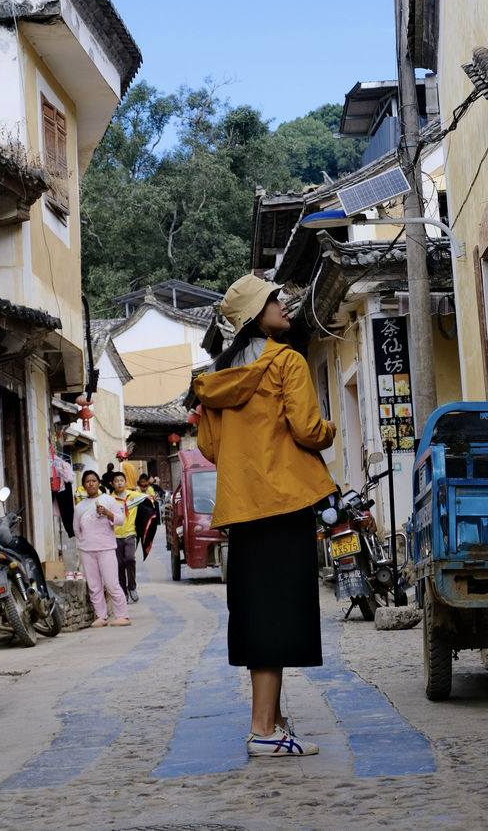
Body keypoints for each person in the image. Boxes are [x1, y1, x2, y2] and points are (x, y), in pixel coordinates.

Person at [193, 274, 337, 758]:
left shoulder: (215, 381)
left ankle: (272, 722)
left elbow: (211, 447)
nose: (284, 305)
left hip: (243, 508)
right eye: (275, 300)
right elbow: (308, 428)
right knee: (280, 614)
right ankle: (264, 731)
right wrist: (330, 428)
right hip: (285, 502)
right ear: (257, 314)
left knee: (257, 614)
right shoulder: (288, 362)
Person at [74, 470, 130, 627]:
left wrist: (106, 512)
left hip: (106, 548)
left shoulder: (108, 500)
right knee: (94, 585)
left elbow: (119, 520)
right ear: (83, 485)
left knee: (111, 582)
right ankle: (101, 616)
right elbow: (76, 529)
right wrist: (86, 540)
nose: (91, 483)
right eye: (87, 481)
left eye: (93, 480)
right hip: (87, 549)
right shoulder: (79, 507)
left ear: (99, 483)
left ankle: (122, 615)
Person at [112, 471, 140, 602]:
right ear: (112, 484)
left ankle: (132, 587)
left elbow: (148, 500)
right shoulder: (109, 499)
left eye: (121, 481)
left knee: (130, 559)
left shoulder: (133, 496)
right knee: (119, 565)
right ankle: (123, 591)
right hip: (115, 535)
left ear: (125, 482)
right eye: (116, 481)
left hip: (130, 533)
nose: (119, 483)